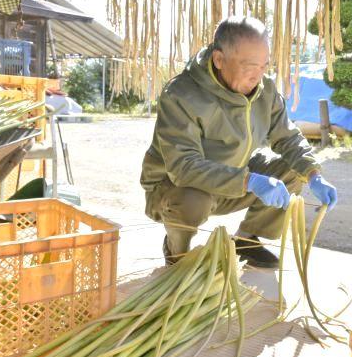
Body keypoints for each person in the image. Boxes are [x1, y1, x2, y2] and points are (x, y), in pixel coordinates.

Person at [140, 16, 338, 268]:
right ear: (219, 60)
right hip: (176, 189)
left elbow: (288, 137)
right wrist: (249, 181)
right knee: (192, 201)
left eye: (264, 66)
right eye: (249, 67)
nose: (258, 76)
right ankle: (176, 250)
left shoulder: (265, 91)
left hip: (234, 179)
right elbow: (183, 167)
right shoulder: (181, 95)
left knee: (292, 170)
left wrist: (313, 175)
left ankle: (246, 240)